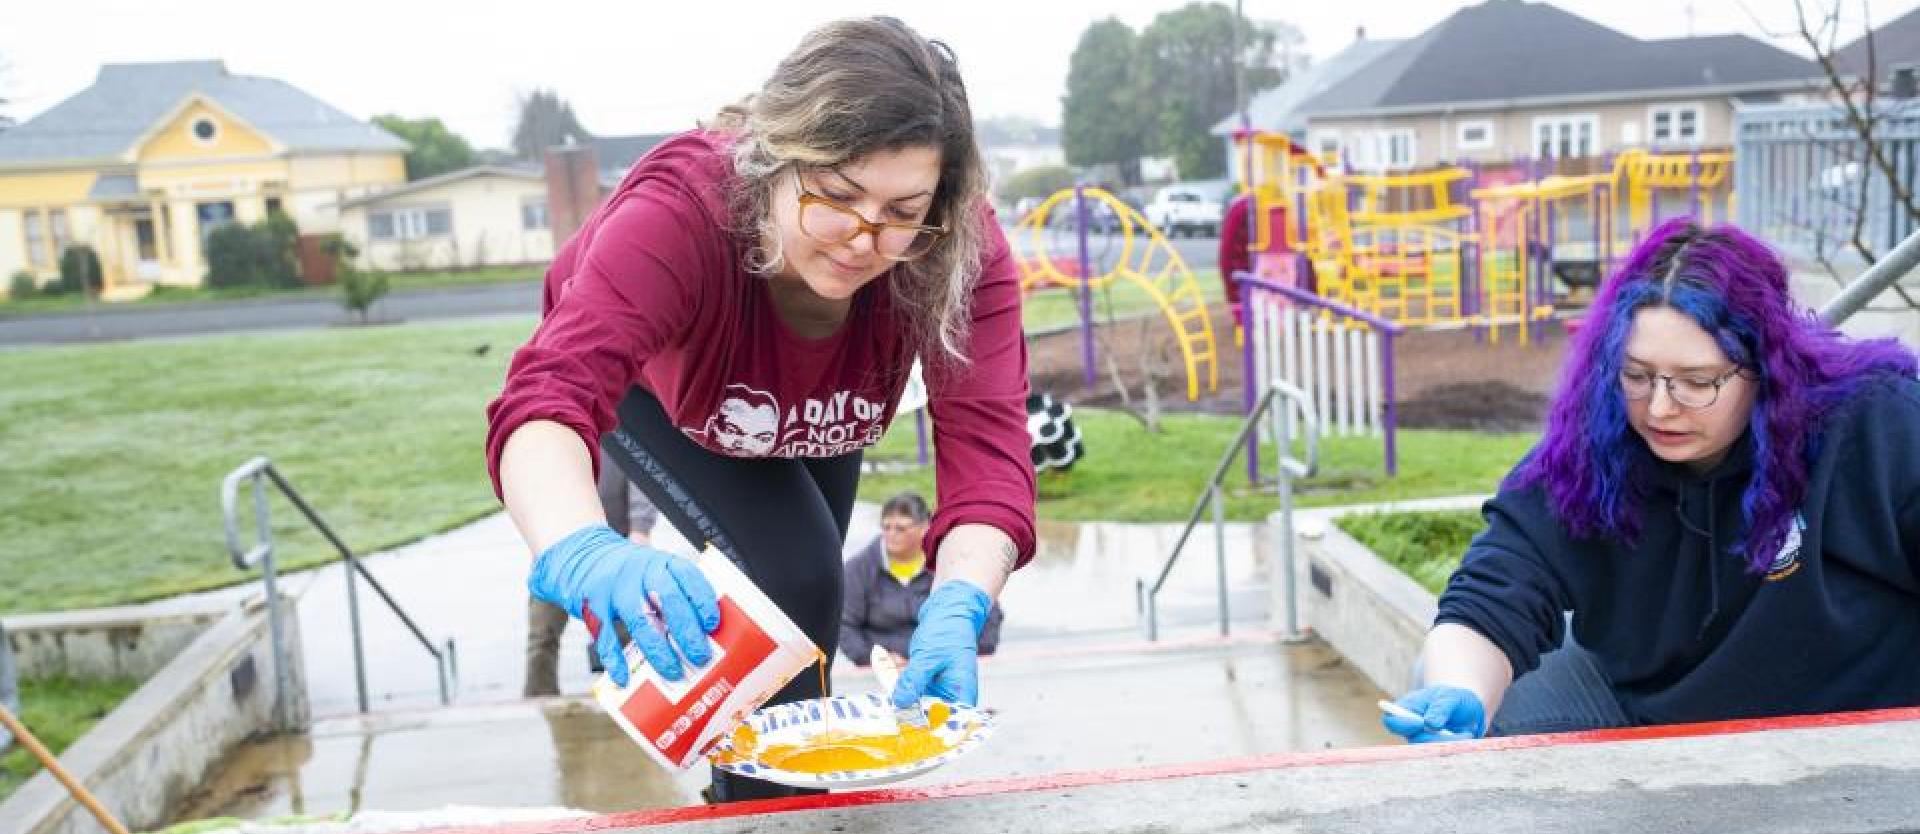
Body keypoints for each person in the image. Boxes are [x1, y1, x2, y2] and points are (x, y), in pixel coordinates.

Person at [485, 17, 1036, 802]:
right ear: (773, 161)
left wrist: (963, 595)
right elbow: (544, 398)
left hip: (821, 402)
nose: (862, 240)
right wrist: (581, 549)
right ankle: (761, 813)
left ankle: (764, 801)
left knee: (807, 618)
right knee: (798, 573)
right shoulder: (682, 212)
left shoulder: (955, 249)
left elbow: (988, 452)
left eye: (902, 211)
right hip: (670, 391)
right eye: (836, 196)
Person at [1382, 218, 1920, 743]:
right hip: (1646, 709)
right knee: (1440, 676)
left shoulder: (1873, 426)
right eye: (1636, 375)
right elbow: (1496, 590)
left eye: (1697, 381)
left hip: (1849, 732)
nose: (1660, 408)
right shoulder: (1590, 450)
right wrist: (1460, 689)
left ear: (1768, 368)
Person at [524, 448, 660, 698]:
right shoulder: (547, 441)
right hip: (556, 552)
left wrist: (640, 529)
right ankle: (538, 704)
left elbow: (640, 482)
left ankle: (632, 701)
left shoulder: (615, 435)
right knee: (541, 636)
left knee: (622, 636)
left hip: (610, 551)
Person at [842, 492, 1003, 668]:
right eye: (886, 527)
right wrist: (873, 659)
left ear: (925, 527)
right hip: (881, 671)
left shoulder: (954, 562)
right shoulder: (858, 569)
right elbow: (845, 625)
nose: (891, 534)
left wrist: (965, 654)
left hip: (949, 666)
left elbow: (987, 611)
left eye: (901, 528)